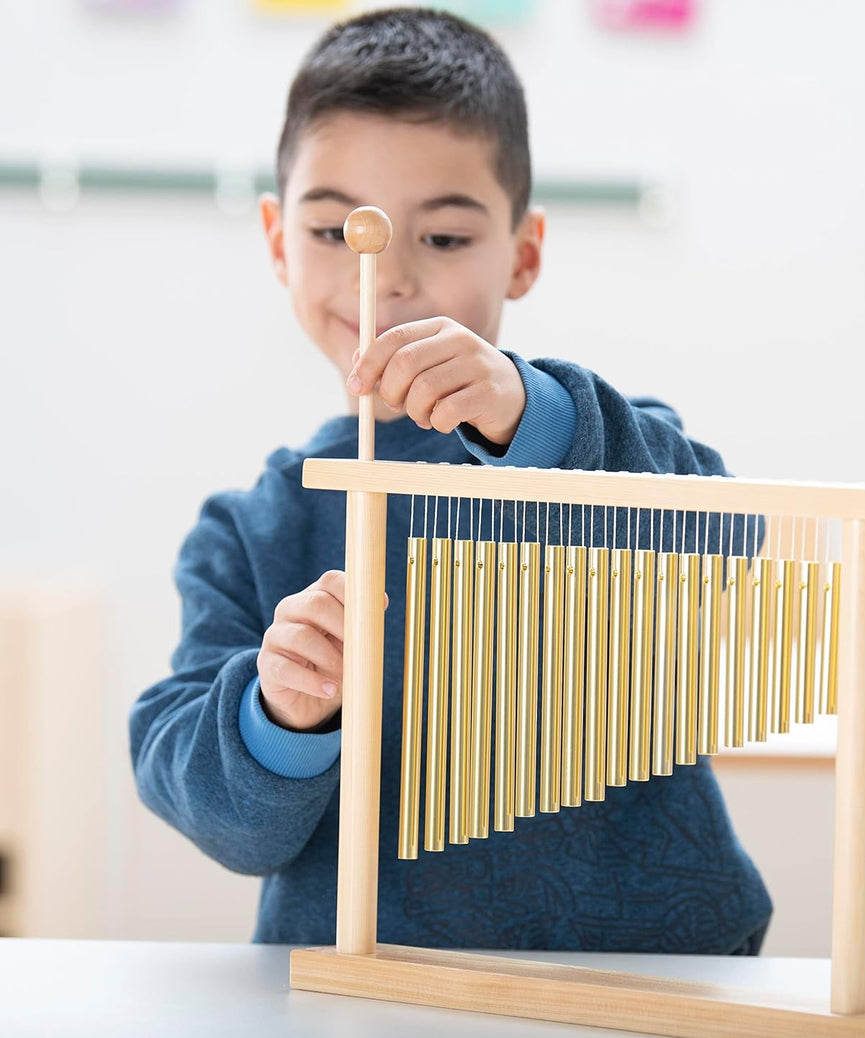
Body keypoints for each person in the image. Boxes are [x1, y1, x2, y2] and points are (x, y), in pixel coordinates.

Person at [130, 6, 772, 954]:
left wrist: (533, 414)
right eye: (335, 232)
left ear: (523, 254)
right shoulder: (251, 532)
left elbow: (724, 536)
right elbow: (222, 820)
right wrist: (281, 716)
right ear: (276, 241)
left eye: (443, 239)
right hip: (365, 989)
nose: (382, 280)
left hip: (646, 980)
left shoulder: (588, 435)